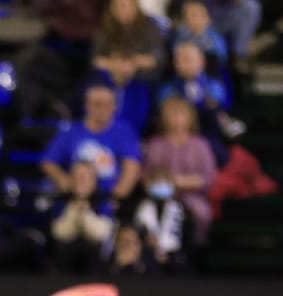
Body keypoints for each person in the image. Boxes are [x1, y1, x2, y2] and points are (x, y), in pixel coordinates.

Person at [43, 81, 144, 209]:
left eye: (108, 104)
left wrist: (117, 197)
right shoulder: (71, 132)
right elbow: (48, 162)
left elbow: (132, 168)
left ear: (115, 106)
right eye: (97, 104)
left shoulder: (124, 133)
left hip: (107, 200)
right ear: (86, 105)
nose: (102, 109)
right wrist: (64, 181)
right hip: (74, 200)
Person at [140, 96, 216, 248]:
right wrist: (158, 186)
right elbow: (146, 176)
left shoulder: (200, 145)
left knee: (201, 213)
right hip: (159, 197)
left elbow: (208, 177)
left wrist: (178, 182)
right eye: (172, 113)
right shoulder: (155, 144)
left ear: (190, 117)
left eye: (180, 113)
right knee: (144, 213)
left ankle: (194, 251)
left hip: (192, 197)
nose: (176, 118)